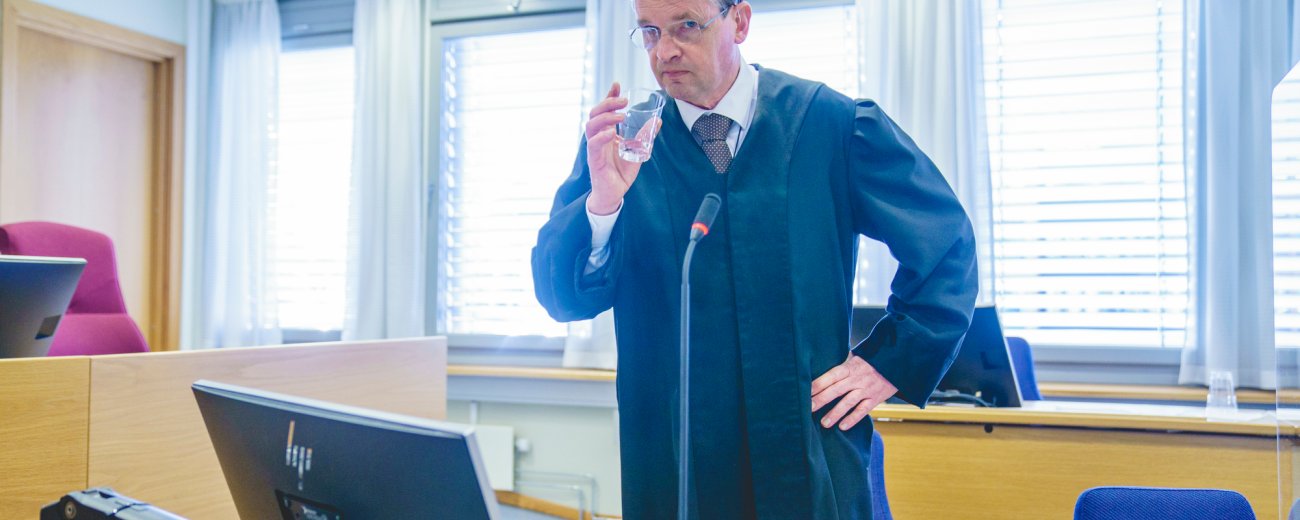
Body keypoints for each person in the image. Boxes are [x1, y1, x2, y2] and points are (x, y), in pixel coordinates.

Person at [531, 0, 978, 518]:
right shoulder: (625, 146)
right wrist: (603, 203)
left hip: (805, 443)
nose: (665, 51)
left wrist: (890, 361)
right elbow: (564, 296)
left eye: (686, 26)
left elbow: (944, 242)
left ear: (739, 21)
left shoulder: (828, 125)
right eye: (649, 32)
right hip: (675, 456)